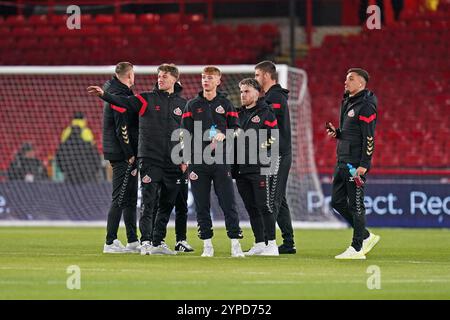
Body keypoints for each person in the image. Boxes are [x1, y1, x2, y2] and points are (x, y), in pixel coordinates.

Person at [87, 64, 191, 255]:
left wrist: (185, 157)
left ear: (175, 79)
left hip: (172, 161)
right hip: (150, 159)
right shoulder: (146, 98)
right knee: (148, 201)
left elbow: (185, 133)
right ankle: (145, 241)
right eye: (159, 76)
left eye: (165, 76)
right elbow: (122, 102)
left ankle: (158, 241)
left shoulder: (182, 104)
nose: (160, 79)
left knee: (166, 203)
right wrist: (104, 95)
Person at [181, 66, 245, 258]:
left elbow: (238, 131)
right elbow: (184, 134)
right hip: (198, 161)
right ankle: (207, 245)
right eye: (203, 77)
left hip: (221, 160)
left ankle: (235, 244)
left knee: (228, 202)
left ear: (218, 81)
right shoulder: (192, 105)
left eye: (209, 78)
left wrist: (223, 135)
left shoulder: (226, 105)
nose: (205, 81)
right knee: (201, 204)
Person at [326, 68, 380, 260]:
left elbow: (369, 136)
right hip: (342, 160)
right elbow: (352, 132)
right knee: (337, 202)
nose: (346, 82)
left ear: (361, 84)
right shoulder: (348, 102)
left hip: (355, 164)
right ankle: (365, 235)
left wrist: (364, 164)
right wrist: (338, 133)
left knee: (357, 205)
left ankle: (357, 248)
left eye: (350, 79)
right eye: (346, 78)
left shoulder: (366, 106)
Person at [234, 78, 279, 256]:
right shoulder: (237, 114)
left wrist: (256, 149)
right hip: (240, 167)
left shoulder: (266, 113)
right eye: (241, 91)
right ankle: (260, 242)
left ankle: (272, 245)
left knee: (263, 205)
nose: (243, 95)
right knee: (251, 207)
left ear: (257, 93)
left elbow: (273, 138)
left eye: (246, 91)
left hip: (259, 166)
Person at [254, 61, 296, 254]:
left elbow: (267, 119)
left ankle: (265, 242)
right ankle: (288, 243)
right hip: (274, 152)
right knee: (279, 199)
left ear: (266, 75)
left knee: (271, 200)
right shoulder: (271, 96)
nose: (256, 79)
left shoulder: (275, 97)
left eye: (257, 75)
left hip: (278, 153)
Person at [101, 62, 140, 254]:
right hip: (122, 154)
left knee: (130, 197)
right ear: (130, 75)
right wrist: (130, 153)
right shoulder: (120, 95)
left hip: (121, 152)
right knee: (120, 196)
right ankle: (110, 241)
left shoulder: (114, 90)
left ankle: (133, 240)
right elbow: (121, 127)